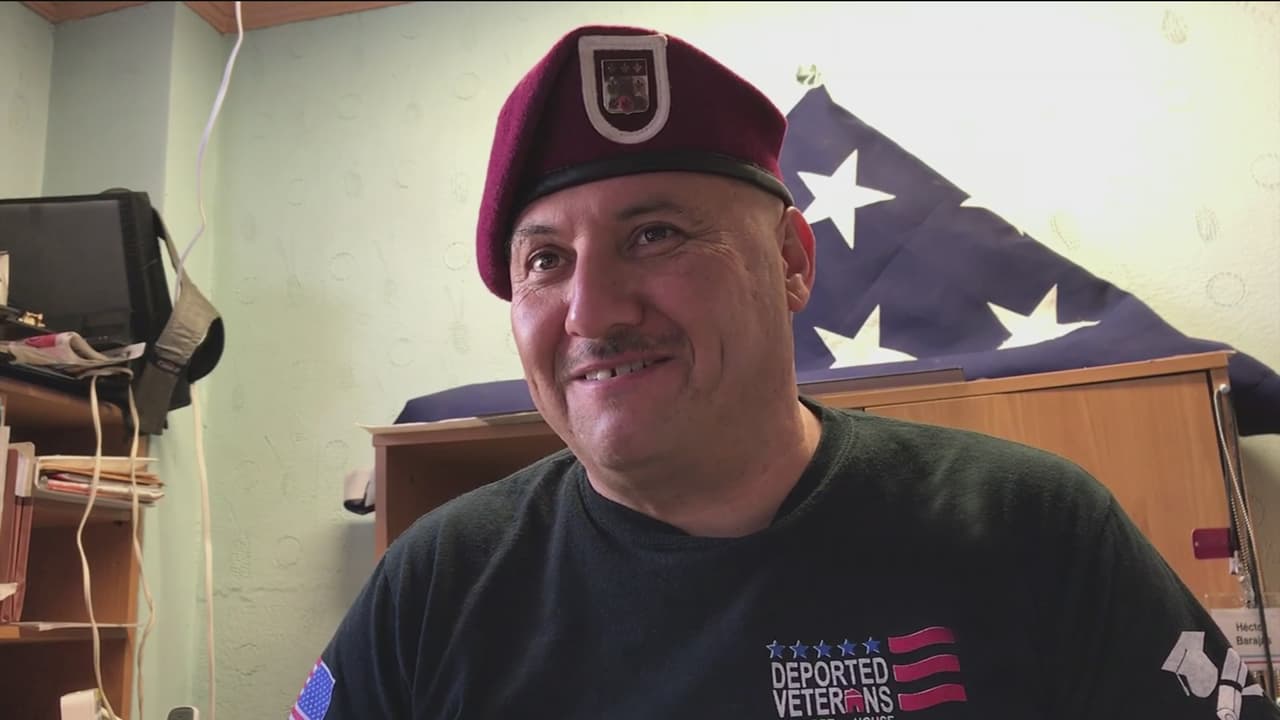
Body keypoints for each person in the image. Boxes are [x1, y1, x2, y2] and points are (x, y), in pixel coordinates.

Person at [293, 24, 1280, 719]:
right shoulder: (438, 580)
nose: (590, 313)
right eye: (545, 260)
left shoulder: (1032, 529)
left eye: (654, 235)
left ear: (792, 263)